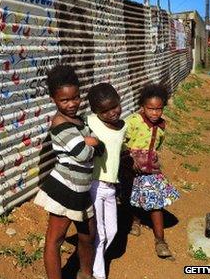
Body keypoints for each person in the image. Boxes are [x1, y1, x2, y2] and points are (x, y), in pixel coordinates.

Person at [34, 65, 99, 279]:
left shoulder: (78, 120)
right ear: (53, 99)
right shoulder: (60, 124)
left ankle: (86, 274)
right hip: (66, 188)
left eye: (76, 98)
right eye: (64, 100)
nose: (71, 104)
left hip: (81, 189)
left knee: (88, 236)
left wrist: (91, 142)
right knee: (55, 239)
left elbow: (93, 146)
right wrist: (91, 142)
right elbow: (82, 153)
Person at [123, 84, 180, 259]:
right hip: (131, 166)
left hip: (151, 170)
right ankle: (135, 220)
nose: (155, 113)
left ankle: (160, 240)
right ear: (142, 106)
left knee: (156, 203)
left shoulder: (162, 126)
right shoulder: (132, 121)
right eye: (151, 109)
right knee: (131, 195)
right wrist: (129, 158)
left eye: (159, 109)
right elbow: (122, 141)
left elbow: (158, 146)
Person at [86, 83, 127, 279]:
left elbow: (119, 150)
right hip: (95, 184)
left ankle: (92, 259)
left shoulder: (123, 125)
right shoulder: (90, 122)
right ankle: (98, 273)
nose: (112, 113)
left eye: (114, 107)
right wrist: (90, 142)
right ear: (95, 111)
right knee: (100, 233)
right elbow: (75, 134)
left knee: (112, 230)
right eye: (105, 111)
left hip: (111, 187)